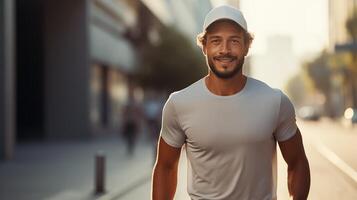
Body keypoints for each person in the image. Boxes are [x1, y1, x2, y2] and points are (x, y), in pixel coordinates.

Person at [152, 5, 310, 200]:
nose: (224, 50)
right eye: (216, 41)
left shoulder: (275, 102)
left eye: (234, 41)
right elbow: (165, 167)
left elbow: (297, 162)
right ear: (205, 47)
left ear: (246, 46)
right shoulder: (179, 103)